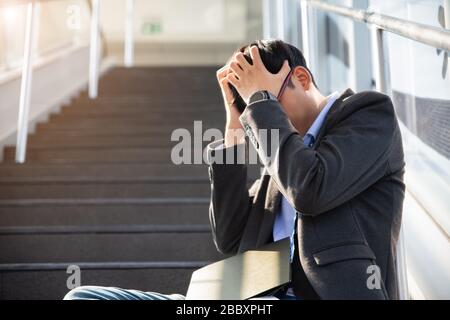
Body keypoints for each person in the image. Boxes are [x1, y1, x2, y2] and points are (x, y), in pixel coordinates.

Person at [64, 39, 405, 300]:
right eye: (251, 107)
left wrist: (260, 105)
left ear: (300, 78)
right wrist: (234, 128)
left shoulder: (369, 114)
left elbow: (311, 189)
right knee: (83, 296)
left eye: (265, 99)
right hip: (242, 300)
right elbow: (228, 236)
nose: (258, 115)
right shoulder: (281, 162)